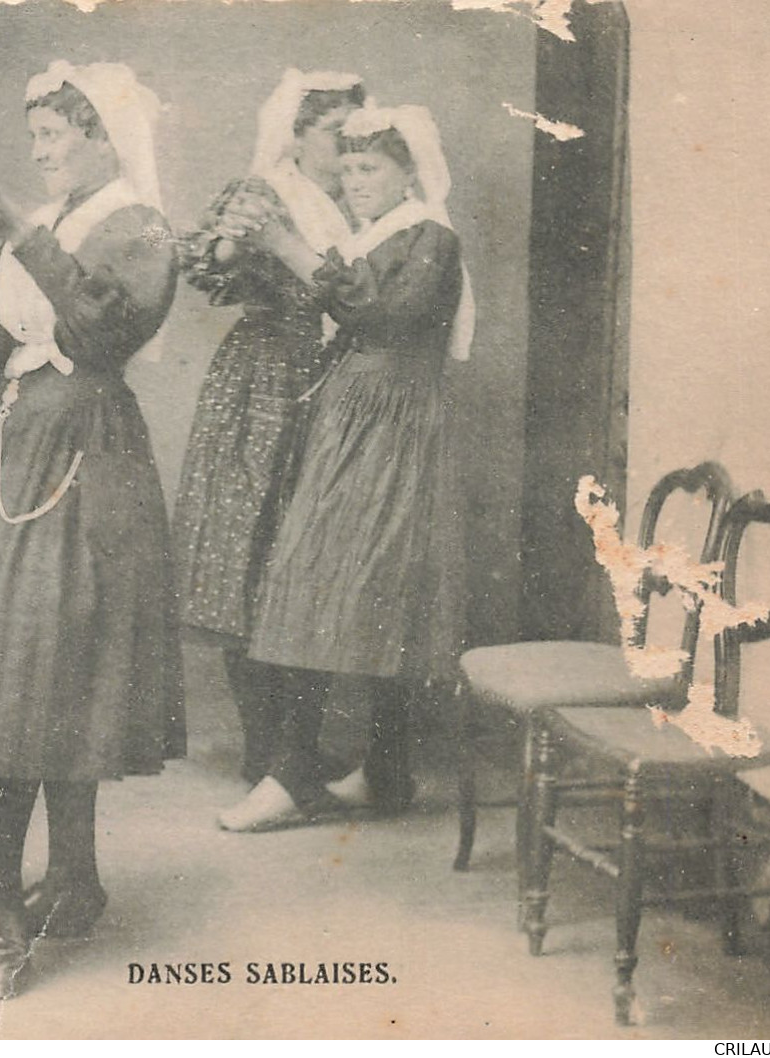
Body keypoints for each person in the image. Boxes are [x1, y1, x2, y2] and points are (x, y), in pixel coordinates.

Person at [0, 61, 184, 1001]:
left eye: (54, 137)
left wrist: (23, 236)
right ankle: (70, 876)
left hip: (85, 451)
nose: (36, 152)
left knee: (51, 662)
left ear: (104, 137)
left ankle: (8, 893)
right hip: (12, 445)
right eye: (31, 137)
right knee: (26, 662)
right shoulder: (56, 228)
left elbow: (100, 331)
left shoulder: (139, 228)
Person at [222, 103, 473, 832]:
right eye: (348, 169)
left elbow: (382, 316)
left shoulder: (428, 235)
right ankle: (382, 772)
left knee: (345, 582)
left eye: (370, 169)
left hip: (394, 421)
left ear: (407, 173)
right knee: (346, 585)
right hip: (361, 412)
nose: (354, 181)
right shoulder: (377, 233)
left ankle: (295, 774)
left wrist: (287, 244)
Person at [171, 69, 366, 798]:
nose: (345, 149)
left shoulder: (360, 197)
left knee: (309, 564)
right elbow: (203, 265)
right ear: (297, 133)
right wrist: (231, 247)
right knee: (248, 558)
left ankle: (298, 750)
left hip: (339, 381)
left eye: (354, 134)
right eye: (333, 133)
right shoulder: (263, 190)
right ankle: (267, 750)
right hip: (265, 382)